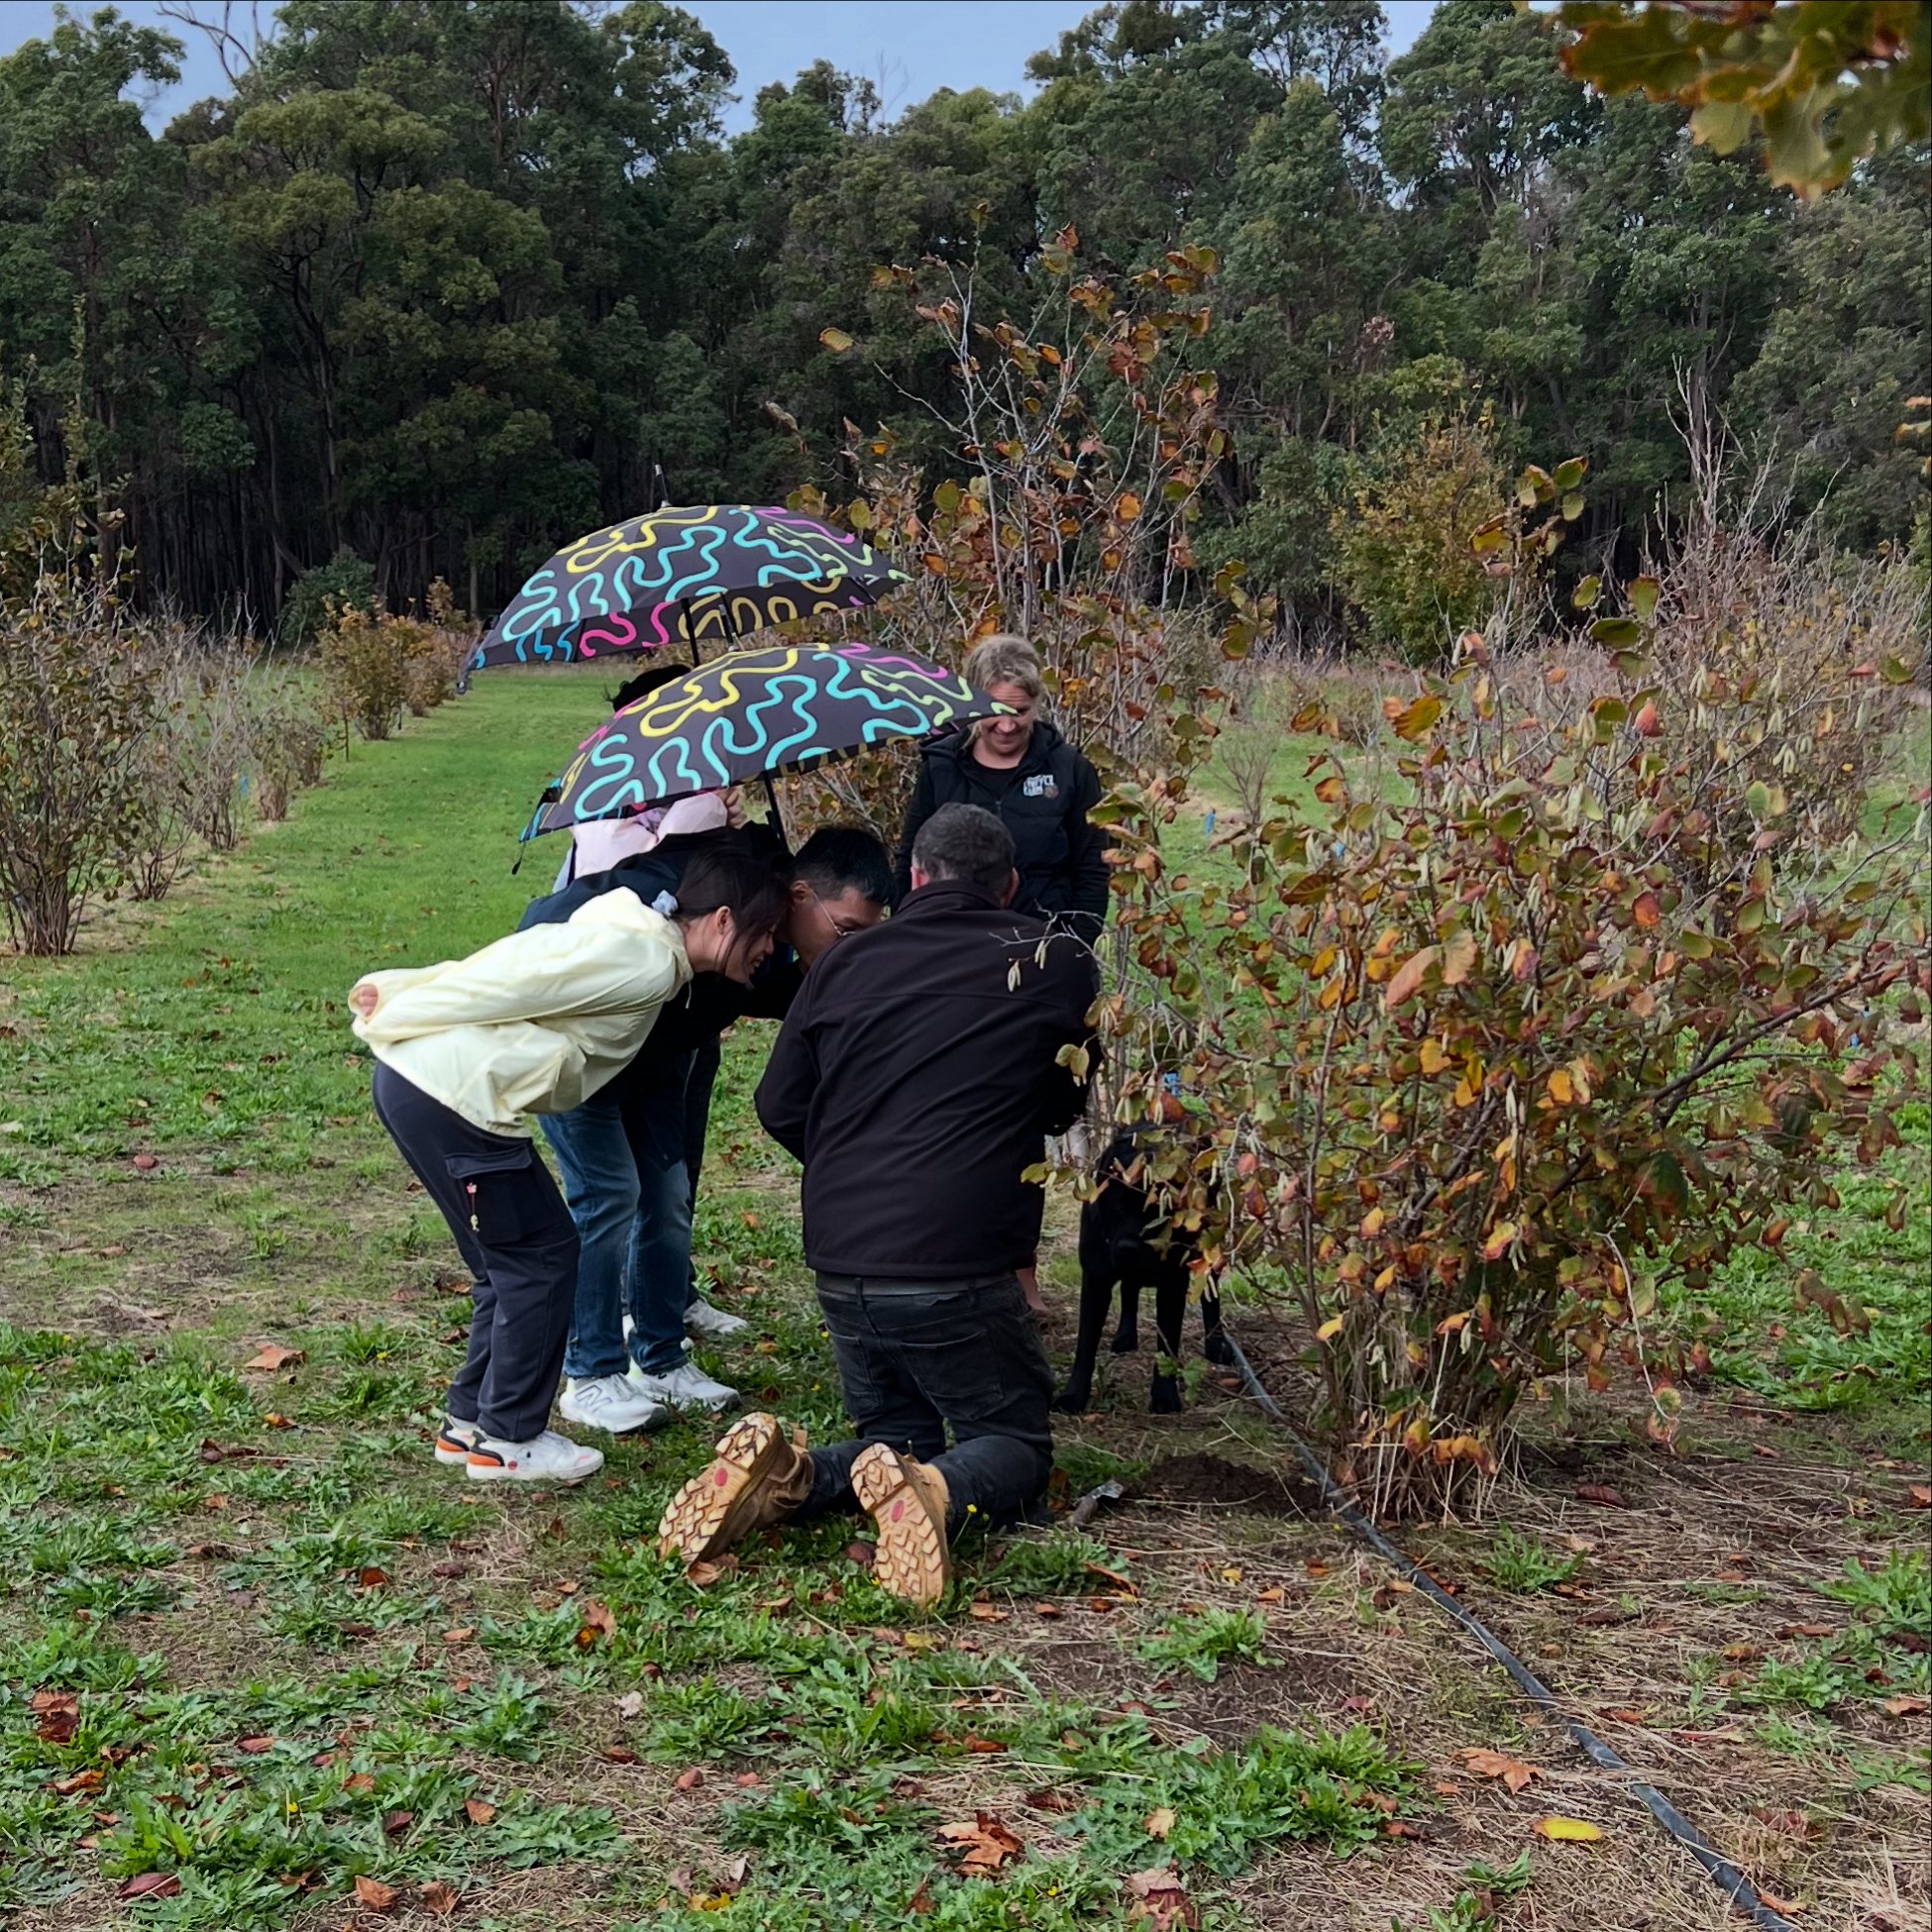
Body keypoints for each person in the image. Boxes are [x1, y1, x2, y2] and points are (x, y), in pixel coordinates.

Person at [658, 805, 1098, 1604]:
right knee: (1014, 1442)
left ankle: (789, 1476)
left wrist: (853, 1166)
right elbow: (1065, 1098)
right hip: (959, 1256)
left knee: (891, 1440)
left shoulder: (841, 964)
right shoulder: (1057, 957)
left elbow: (779, 1104)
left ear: (915, 878)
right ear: (1012, 887)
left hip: (842, 1256)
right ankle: (930, 1495)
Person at [352, 846, 787, 1483]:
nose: (770, 949)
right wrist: (402, 993)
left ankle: (469, 1423)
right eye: (766, 932)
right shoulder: (638, 960)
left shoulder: (649, 954)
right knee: (546, 1257)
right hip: (449, 1092)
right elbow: (520, 971)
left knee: (505, 1267)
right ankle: (511, 1441)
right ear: (722, 920)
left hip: (426, 1088)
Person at [528, 824, 892, 1434]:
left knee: (668, 1197)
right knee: (610, 1194)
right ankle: (589, 1375)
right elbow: (545, 929)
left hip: (659, 1060)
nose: (845, 949)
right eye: (845, 932)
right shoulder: (679, 898)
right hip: (574, 1052)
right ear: (801, 897)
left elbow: (799, 1001)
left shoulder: (777, 941)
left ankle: (661, 1358)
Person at [893, 634, 1109, 943]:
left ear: (1036, 704)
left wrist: (1072, 948)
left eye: (1020, 712)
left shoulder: (1071, 770)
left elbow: (1092, 872)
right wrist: (910, 943)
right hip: (951, 949)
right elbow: (908, 863)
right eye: (996, 710)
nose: (1007, 727)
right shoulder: (940, 767)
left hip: (1044, 947)